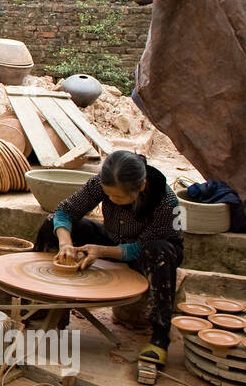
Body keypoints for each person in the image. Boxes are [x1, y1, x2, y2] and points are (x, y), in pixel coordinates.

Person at [34, 150, 184, 368]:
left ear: (140, 187)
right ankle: (44, 305)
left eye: (119, 198)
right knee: (51, 225)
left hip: (151, 250)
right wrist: (65, 243)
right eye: (109, 195)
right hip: (113, 238)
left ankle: (159, 338)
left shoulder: (166, 202)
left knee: (160, 252)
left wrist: (100, 251)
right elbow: (64, 211)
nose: (112, 200)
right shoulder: (101, 183)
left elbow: (139, 248)